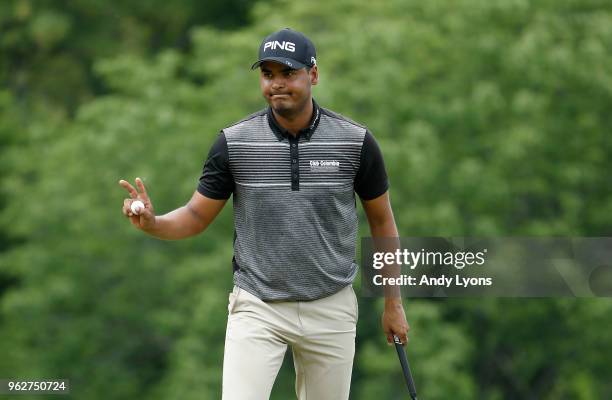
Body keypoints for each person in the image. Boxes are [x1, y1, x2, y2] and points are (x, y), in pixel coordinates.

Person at [119, 28, 409, 400]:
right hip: (257, 306)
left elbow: (382, 222)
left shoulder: (354, 142)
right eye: (268, 74)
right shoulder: (234, 143)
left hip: (331, 305)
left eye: (288, 73)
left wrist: (393, 304)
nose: (277, 84)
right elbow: (195, 216)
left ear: (313, 75)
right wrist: (154, 224)